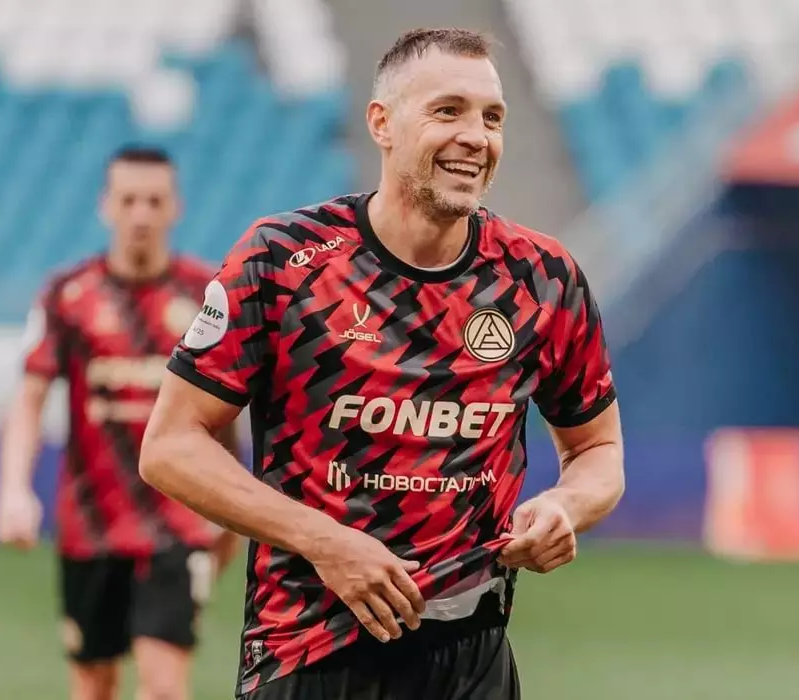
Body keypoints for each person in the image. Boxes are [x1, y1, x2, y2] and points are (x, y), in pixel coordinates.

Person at [140, 27, 625, 700]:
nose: (476, 137)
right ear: (382, 123)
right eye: (448, 111)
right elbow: (169, 446)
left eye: (492, 118)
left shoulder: (540, 277)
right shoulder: (283, 261)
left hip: (472, 656)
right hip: (310, 649)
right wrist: (324, 540)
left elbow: (598, 450)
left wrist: (565, 507)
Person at [0, 146, 242, 700]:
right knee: (94, 684)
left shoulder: (207, 295)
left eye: (154, 200)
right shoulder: (67, 295)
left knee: (163, 686)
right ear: (106, 206)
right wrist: (13, 491)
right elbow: (29, 399)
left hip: (177, 524)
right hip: (91, 526)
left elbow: (230, 410)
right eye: (129, 200)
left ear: (175, 207)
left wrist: (229, 511)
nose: (141, 214)